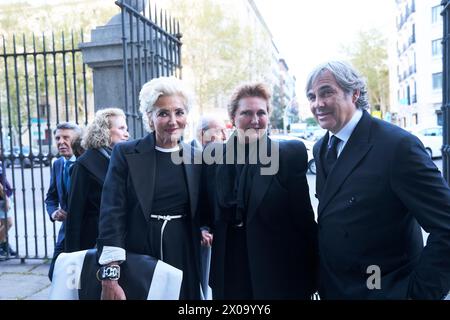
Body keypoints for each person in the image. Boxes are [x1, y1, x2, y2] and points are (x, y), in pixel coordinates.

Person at [306, 60, 450, 300]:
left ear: (354, 94)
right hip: (335, 289)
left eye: (327, 92)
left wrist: (417, 293)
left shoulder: (398, 147)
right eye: (312, 96)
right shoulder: (322, 147)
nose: (318, 104)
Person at [201, 83, 318, 299]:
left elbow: (304, 221)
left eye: (261, 113)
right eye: (246, 113)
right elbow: (204, 210)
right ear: (233, 117)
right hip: (229, 270)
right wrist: (202, 228)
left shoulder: (289, 155)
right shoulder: (213, 156)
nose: (255, 120)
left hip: (278, 270)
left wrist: (313, 276)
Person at [97, 76, 206, 300]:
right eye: (163, 113)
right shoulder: (126, 154)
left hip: (184, 251)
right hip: (140, 252)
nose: (173, 120)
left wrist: (205, 228)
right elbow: (112, 213)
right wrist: (110, 274)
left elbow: (204, 207)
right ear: (149, 118)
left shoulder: (197, 157)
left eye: (179, 112)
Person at [65, 108, 129, 253]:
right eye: (121, 128)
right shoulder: (85, 163)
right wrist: (72, 254)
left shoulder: (123, 159)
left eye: (126, 128)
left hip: (123, 238)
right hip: (94, 241)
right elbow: (75, 213)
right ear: (105, 131)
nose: (127, 133)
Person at [45, 122, 82, 280]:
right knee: (54, 273)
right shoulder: (58, 164)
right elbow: (51, 196)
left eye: (66, 137)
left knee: (79, 278)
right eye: (57, 138)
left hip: (85, 231)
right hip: (65, 232)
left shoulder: (86, 162)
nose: (61, 142)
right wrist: (53, 212)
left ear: (77, 139)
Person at [0, 158, 15, 260]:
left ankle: (4, 245)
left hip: (5, 195)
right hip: (1, 197)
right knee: (8, 223)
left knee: (2, 223)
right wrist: (5, 198)